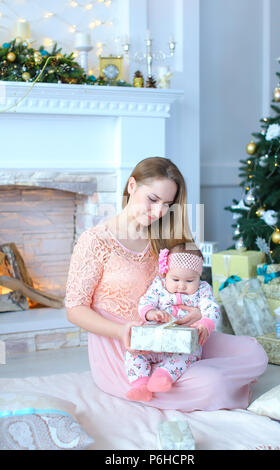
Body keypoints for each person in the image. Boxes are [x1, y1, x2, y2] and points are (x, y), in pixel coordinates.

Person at [65, 156, 268, 412]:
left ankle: (195, 375)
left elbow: (193, 286)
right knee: (213, 382)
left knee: (254, 352)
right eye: (152, 199)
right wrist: (121, 332)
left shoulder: (165, 236)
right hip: (126, 348)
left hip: (176, 334)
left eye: (167, 204)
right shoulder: (95, 241)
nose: (159, 211)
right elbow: (75, 308)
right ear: (131, 186)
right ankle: (212, 383)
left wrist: (197, 314)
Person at [125, 243, 221, 402]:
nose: (181, 286)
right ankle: (140, 385)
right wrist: (151, 313)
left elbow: (212, 308)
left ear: (199, 277)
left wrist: (205, 324)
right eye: (175, 279)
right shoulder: (159, 286)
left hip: (183, 344)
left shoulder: (202, 290)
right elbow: (145, 301)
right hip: (155, 339)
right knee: (134, 353)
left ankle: (163, 376)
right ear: (166, 274)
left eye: (190, 280)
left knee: (189, 355)